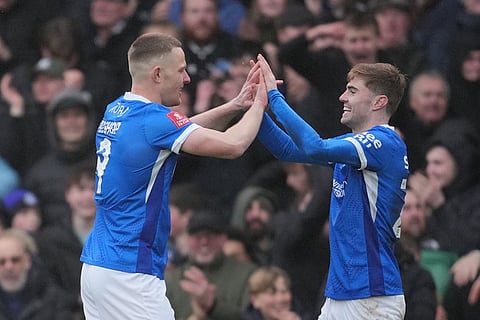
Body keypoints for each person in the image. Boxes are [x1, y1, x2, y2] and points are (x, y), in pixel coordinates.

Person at [80, 33, 268, 320]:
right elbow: (233, 145)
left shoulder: (118, 110)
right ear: (157, 74)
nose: (187, 78)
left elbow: (180, 130)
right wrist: (260, 104)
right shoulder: (153, 121)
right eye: (181, 70)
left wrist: (235, 105)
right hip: (129, 270)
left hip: (97, 267)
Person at [256, 55, 409, 319]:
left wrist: (275, 97)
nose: (342, 97)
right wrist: (255, 109)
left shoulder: (383, 142)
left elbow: (315, 146)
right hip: (343, 294)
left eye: (352, 91)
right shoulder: (356, 146)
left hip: (371, 295)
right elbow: (289, 150)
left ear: (378, 101)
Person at [23, 88, 96, 228]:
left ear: (89, 120)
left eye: (78, 115)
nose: (71, 122)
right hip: (53, 246)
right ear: (53, 123)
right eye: (64, 116)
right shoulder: (39, 172)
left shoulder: (108, 164)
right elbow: (16, 199)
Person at [165, 211, 257, 320]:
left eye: (211, 235)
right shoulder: (170, 280)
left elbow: (254, 316)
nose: (204, 242)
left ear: (224, 238)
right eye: (197, 236)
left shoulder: (248, 274)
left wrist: (213, 306)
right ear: (188, 239)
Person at [36, 164, 96, 319]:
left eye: (94, 189)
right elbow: (48, 285)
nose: (88, 196)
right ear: (68, 194)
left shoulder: (116, 238)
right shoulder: (49, 239)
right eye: (81, 189)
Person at [0, 228, 75, 319]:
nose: (9, 267)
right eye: (2, 262)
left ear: (28, 261)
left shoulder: (53, 299)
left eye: (15, 260)